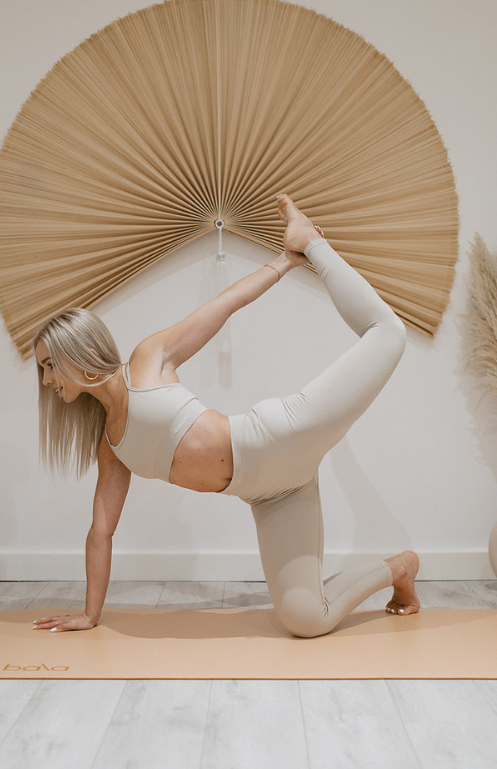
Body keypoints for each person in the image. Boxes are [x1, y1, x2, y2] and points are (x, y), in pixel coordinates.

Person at [29, 194, 421, 637]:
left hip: (279, 437)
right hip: (272, 494)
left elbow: (224, 304)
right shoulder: (111, 447)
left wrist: (287, 261)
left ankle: (311, 240)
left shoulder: (146, 361)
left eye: (48, 365)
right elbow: (101, 531)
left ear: (74, 352)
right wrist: (90, 614)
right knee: (307, 620)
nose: (46, 381)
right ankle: (399, 570)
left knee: (388, 334)